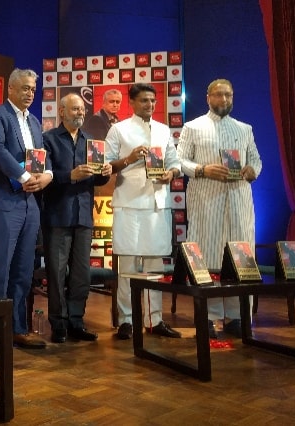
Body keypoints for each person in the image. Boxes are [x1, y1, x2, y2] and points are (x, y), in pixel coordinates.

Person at [177, 78, 262, 339]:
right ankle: (211, 318)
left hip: (239, 201)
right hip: (207, 202)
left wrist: (251, 170)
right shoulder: (193, 127)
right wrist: (203, 169)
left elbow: (256, 160)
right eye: (218, 95)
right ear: (208, 97)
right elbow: (179, 161)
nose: (224, 100)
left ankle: (238, 317)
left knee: (241, 260)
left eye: (228, 95)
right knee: (208, 258)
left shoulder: (244, 128)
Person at [0, 68, 52, 353]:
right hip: (3, 200)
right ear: (10, 88)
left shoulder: (34, 121)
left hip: (30, 202)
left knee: (23, 270)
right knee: (1, 270)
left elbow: (40, 156)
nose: (29, 93)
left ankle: (18, 329)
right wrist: (24, 177)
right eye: (24, 88)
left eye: (33, 89)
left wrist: (46, 176)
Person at [105, 83, 182, 340]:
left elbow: (174, 162)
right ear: (132, 103)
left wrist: (171, 173)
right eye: (144, 101)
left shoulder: (163, 129)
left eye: (153, 101)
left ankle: (154, 319)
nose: (149, 105)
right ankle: (126, 320)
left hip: (157, 204)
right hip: (129, 203)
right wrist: (129, 158)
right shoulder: (119, 129)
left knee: (154, 266)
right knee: (127, 266)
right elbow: (105, 165)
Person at [41, 93, 112, 343]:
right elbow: (44, 176)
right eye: (75, 109)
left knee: (81, 272)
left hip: (83, 215)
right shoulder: (47, 139)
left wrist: (105, 172)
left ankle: (76, 321)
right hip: (57, 215)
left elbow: (98, 180)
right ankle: (58, 323)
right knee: (57, 272)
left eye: (82, 109)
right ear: (62, 112)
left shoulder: (91, 141)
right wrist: (70, 175)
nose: (80, 113)